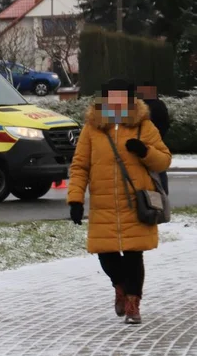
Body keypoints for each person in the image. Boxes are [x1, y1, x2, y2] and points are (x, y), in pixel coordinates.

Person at [67, 78, 172, 324]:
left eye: (121, 98)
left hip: (134, 203)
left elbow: (164, 161)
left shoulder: (143, 126)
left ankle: (133, 304)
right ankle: (120, 287)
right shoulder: (92, 129)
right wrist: (75, 200)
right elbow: (80, 165)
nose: (115, 103)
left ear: (129, 100)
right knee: (106, 255)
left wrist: (145, 151)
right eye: (111, 98)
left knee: (134, 256)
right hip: (103, 205)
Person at [137, 82, 170, 194]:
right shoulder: (159, 104)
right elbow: (166, 123)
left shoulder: (141, 107)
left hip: (146, 141)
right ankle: (162, 193)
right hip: (155, 140)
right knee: (159, 170)